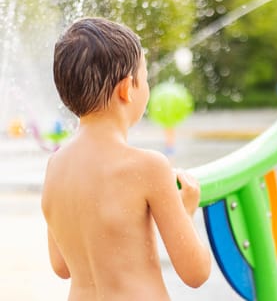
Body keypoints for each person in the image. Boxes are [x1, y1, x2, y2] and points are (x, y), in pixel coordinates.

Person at [41, 17, 211, 300]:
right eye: (144, 79)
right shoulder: (148, 167)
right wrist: (187, 212)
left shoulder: (55, 166)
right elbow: (195, 272)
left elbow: (61, 267)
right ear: (127, 88)